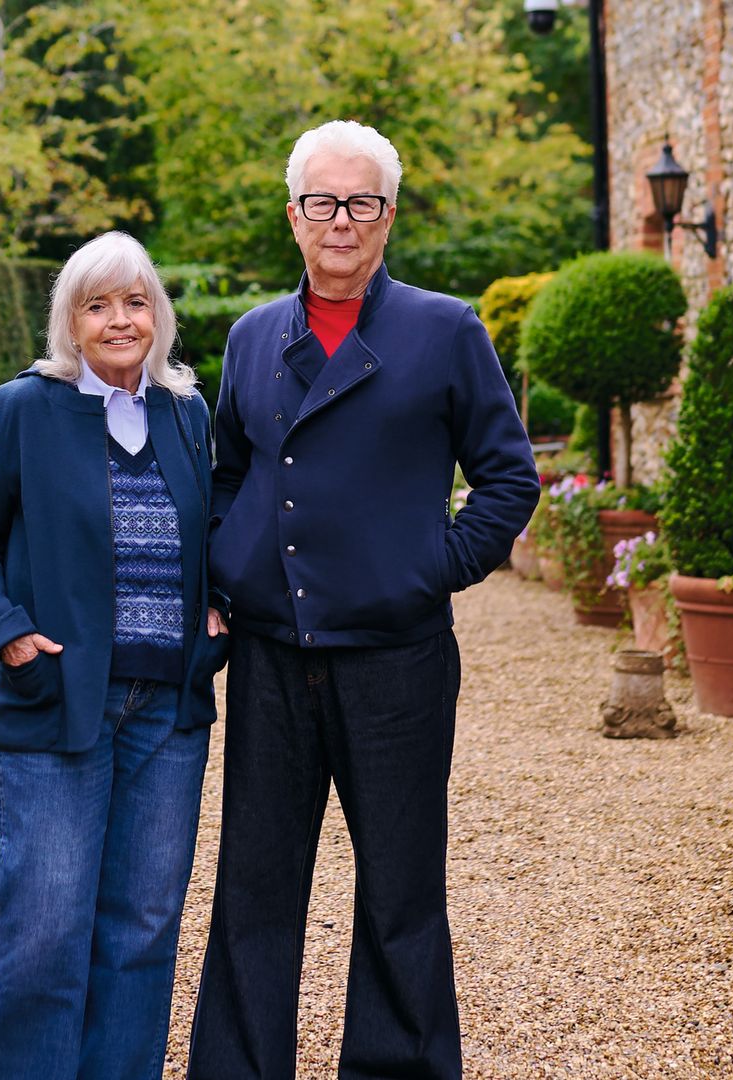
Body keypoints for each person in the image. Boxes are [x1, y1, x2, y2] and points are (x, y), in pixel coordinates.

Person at [188, 121, 540, 1080]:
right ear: (293, 215)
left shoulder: (446, 329)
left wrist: (432, 567)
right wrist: (228, 565)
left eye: (361, 202)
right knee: (255, 888)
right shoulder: (253, 335)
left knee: (400, 892)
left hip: (397, 658)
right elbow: (227, 471)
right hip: (271, 654)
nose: (340, 221)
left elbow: (508, 478)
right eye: (322, 202)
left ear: (388, 216)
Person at [0, 231, 230, 1080]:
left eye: (135, 302)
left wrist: (216, 605)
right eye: (97, 305)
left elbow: (205, 531)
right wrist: (7, 633)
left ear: (158, 316)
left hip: (169, 710)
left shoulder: (186, 412)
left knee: (142, 930)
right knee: (42, 929)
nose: (119, 320)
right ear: (69, 322)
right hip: (61, 695)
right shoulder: (22, 410)